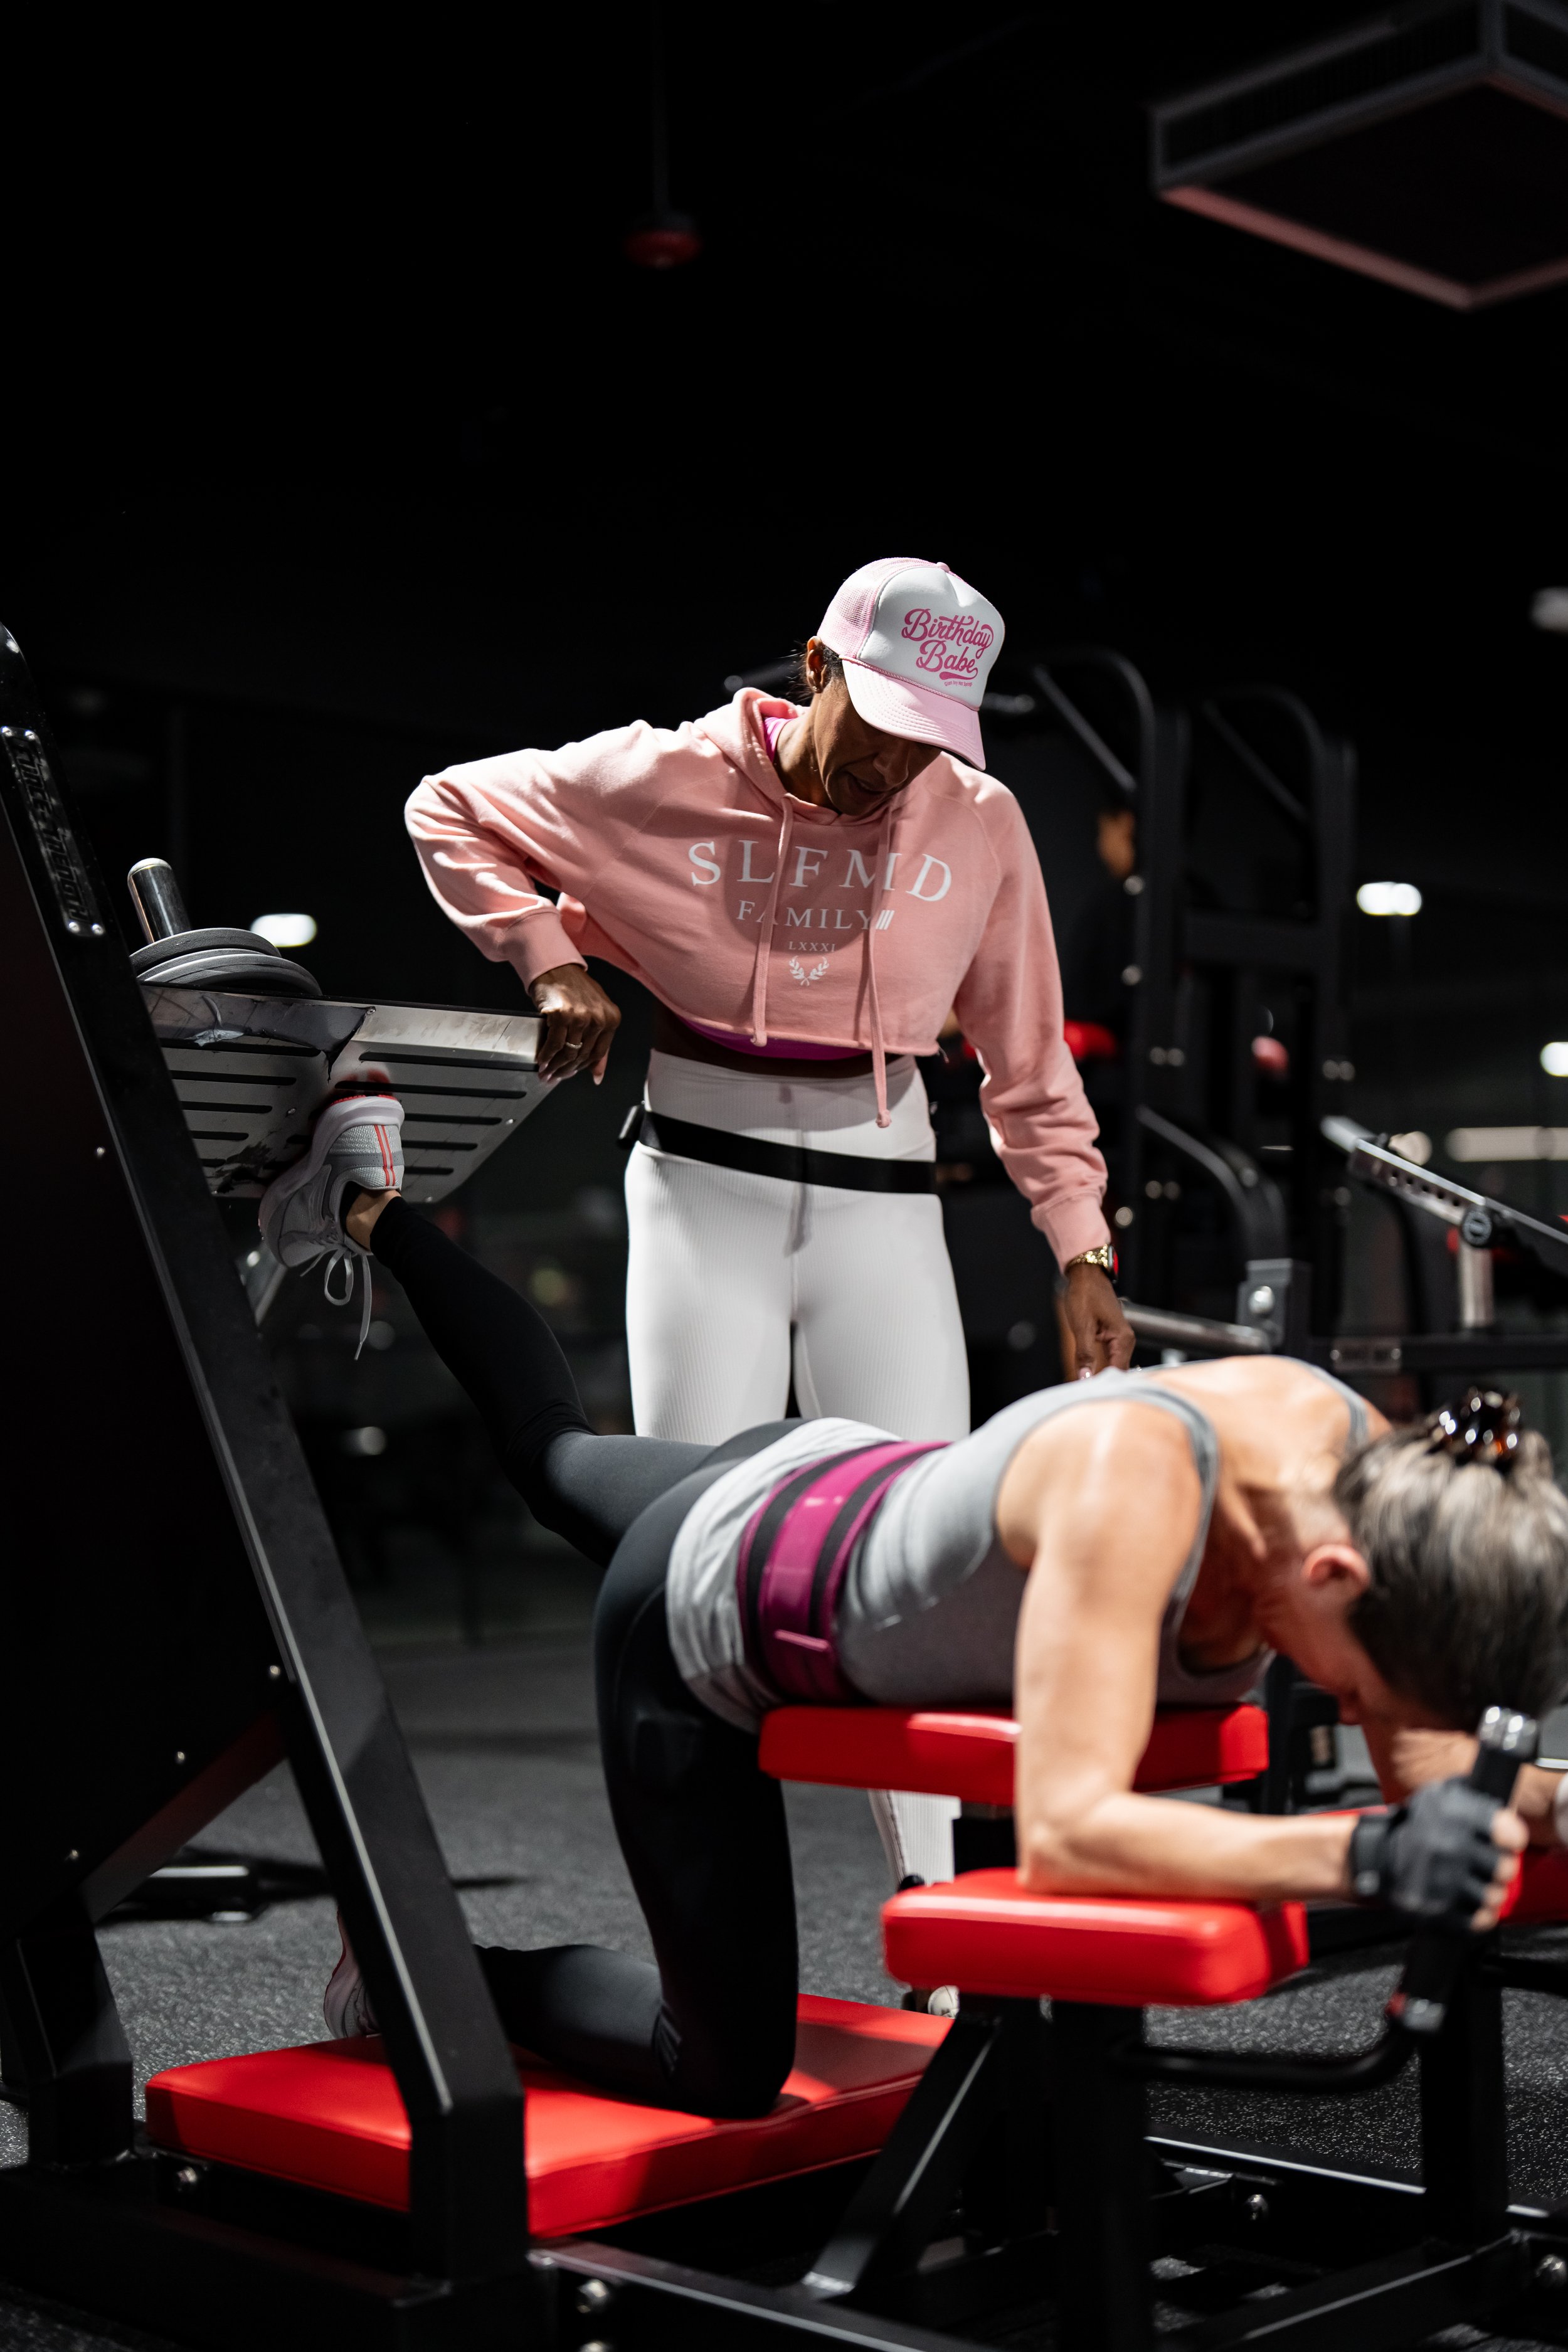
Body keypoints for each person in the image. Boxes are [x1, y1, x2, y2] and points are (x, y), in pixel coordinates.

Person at [263, 1103, 1568, 2119]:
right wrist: (1359, 1856)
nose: (1343, 1711)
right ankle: (406, 1974)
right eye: (1349, 1691)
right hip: (709, 1599)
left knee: (551, 1453)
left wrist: (1528, 1801)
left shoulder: (1377, 1485)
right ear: (1334, 1577)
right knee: (714, 2064)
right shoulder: (1141, 1486)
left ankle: (366, 1204)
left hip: (824, 1471)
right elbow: (1071, 1833)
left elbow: (1434, 1774)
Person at [405, 558, 1135, 1888]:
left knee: (927, 1545)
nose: (896, 770)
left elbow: (1027, 1054)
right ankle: (712, 1919)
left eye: (932, 742)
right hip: (701, 1182)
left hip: (882, 1190)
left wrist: (1075, 1241)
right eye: (879, 728)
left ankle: (946, 1919)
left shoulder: (976, 820)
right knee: (690, 1544)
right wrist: (544, 954)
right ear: (813, 670)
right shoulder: (657, 776)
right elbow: (444, 804)